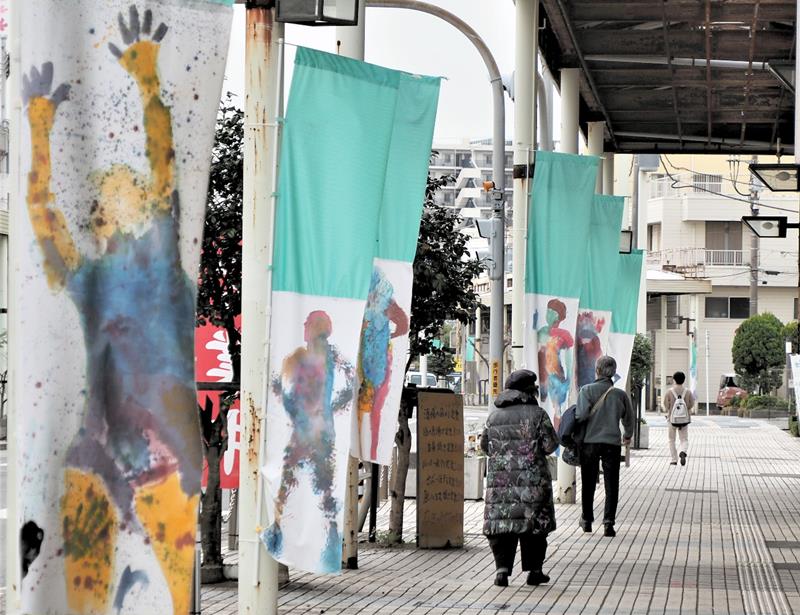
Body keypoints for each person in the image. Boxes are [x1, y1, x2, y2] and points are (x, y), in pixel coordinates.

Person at [481, 370, 559, 587]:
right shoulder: (538, 415)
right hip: (532, 484)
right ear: (530, 391)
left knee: (502, 526)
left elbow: (485, 446)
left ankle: (502, 571)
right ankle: (534, 571)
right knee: (534, 527)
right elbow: (550, 445)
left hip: (501, 485)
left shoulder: (494, 416)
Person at [576, 355, 635, 538]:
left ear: (597, 370)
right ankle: (608, 522)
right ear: (613, 372)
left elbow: (581, 415)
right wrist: (627, 435)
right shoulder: (620, 395)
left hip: (590, 443)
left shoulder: (586, 390)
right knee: (611, 484)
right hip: (612, 443)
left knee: (588, 482)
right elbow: (629, 418)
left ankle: (587, 520)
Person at [662, 371, 695, 466]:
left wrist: (670, 409)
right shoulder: (688, 392)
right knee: (684, 439)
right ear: (684, 380)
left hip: (672, 419)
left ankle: (674, 459)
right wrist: (685, 409)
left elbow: (666, 405)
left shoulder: (669, 391)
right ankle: (683, 451)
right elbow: (691, 404)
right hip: (684, 419)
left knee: (671, 440)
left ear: (674, 380)